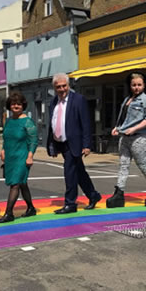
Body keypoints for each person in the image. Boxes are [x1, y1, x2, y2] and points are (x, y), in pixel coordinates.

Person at [47, 73, 102, 214]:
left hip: (75, 143)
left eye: (64, 86)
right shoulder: (53, 102)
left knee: (69, 172)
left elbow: (86, 123)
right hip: (61, 143)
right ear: (54, 87)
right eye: (58, 87)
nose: (61, 89)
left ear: (68, 85)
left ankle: (70, 203)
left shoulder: (78, 100)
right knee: (79, 172)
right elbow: (52, 123)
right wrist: (52, 145)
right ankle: (93, 195)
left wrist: (87, 144)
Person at [107, 72, 146, 208]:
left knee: (142, 164)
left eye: (139, 85)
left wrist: (135, 128)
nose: (136, 88)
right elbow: (123, 117)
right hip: (124, 137)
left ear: (144, 85)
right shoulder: (127, 100)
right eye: (134, 85)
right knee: (123, 165)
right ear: (130, 86)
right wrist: (117, 128)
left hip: (138, 138)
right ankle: (119, 193)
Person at [0, 91, 38, 223]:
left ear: (23, 106)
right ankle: (31, 208)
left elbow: (33, 140)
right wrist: (3, 150)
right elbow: (6, 138)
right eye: (13, 104)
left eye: (19, 104)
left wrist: (30, 156)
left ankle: (9, 213)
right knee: (22, 184)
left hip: (22, 156)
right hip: (10, 156)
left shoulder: (27, 122)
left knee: (15, 184)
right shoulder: (8, 121)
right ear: (9, 106)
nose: (16, 106)